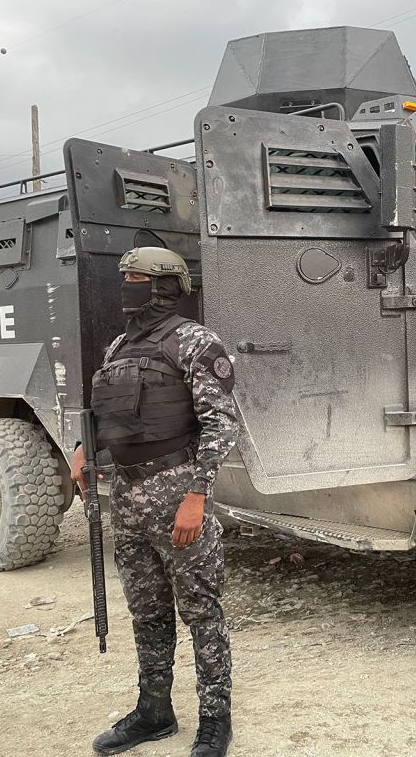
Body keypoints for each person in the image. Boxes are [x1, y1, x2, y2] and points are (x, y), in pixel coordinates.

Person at [70, 246, 238, 757]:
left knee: (201, 609)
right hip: (126, 494)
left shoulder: (195, 342)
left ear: (166, 284)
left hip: (176, 489)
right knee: (146, 611)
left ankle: (215, 720)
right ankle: (155, 711)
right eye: (124, 277)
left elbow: (221, 424)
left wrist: (197, 495)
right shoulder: (120, 346)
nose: (127, 286)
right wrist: (83, 449)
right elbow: (111, 415)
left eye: (137, 277)